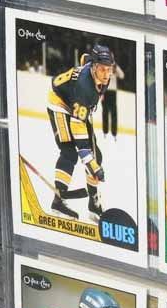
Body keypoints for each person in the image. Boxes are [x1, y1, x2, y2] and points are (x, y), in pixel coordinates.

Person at [47, 42, 114, 221]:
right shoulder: (85, 87)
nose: (106, 74)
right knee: (69, 153)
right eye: (102, 69)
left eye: (109, 69)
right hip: (60, 104)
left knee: (96, 156)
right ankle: (58, 201)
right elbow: (78, 130)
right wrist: (89, 161)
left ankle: (93, 204)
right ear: (94, 67)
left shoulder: (96, 71)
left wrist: (92, 161)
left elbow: (84, 57)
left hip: (78, 105)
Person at [101, 61, 125, 139]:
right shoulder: (104, 67)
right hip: (105, 91)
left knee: (114, 112)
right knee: (105, 112)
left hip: (113, 92)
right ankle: (105, 131)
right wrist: (101, 93)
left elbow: (122, 75)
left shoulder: (115, 68)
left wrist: (116, 67)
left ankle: (114, 132)